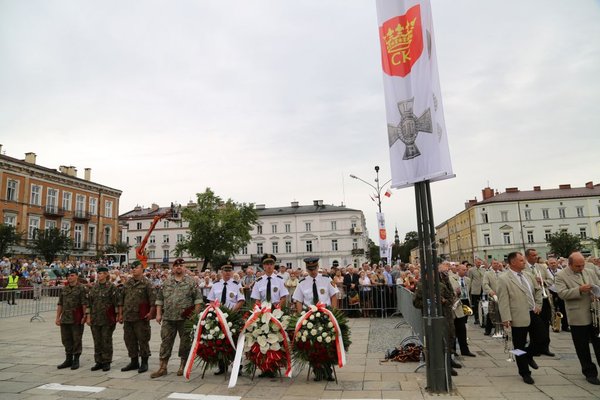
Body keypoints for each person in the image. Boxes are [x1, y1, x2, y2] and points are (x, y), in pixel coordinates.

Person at [151, 258, 202, 378]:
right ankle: (163, 367)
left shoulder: (191, 282)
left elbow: (198, 300)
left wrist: (194, 315)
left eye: (181, 265)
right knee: (165, 342)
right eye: (176, 265)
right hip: (168, 318)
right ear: (173, 268)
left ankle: (183, 365)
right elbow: (159, 299)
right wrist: (158, 314)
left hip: (185, 319)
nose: (179, 267)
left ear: (184, 268)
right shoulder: (166, 282)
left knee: (185, 343)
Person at [497, 251, 543, 385]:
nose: (524, 262)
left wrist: (539, 304)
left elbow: (538, 289)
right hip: (517, 315)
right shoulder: (504, 278)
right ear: (513, 262)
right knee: (519, 346)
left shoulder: (528, 275)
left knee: (542, 338)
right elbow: (503, 299)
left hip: (533, 312)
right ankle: (524, 372)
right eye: (521, 260)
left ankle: (529, 355)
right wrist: (506, 318)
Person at [555, 252, 600, 385]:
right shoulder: (561, 275)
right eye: (577, 266)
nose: (581, 268)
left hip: (595, 313)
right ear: (570, 264)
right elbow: (562, 294)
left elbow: (597, 284)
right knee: (582, 346)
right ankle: (589, 372)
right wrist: (579, 289)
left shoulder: (589, 271)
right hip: (578, 315)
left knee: (598, 343)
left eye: (582, 265)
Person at [292, 257, 339, 381]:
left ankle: (328, 370)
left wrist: (334, 313)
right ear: (307, 269)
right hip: (309, 318)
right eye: (310, 269)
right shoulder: (302, 283)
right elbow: (298, 300)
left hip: (326, 315)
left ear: (318, 267)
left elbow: (334, 296)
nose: (312, 271)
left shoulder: (326, 279)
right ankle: (317, 370)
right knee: (312, 345)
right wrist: (301, 316)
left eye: (314, 268)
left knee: (327, 343)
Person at [207, 263, 245, 375]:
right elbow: (211, 300)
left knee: (234, 341)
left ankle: (237, 366)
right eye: (225, 271)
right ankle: (222, 366)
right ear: (221, 272)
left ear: (232, 272)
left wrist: (231, 313)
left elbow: (241, 300)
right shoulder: (216, 285)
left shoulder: (237, 285)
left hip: (232, 317)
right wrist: (216, 311)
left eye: (229, 271)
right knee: (219, 341)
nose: (227, 273)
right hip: (218, 316)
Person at [119, 260, 156, 373]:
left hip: (141, 318)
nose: (134, 269)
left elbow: (153, 301)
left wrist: (151, 313)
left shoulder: (147, 284)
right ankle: (134, 361)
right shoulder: (127, 283)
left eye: (136, 267)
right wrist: (120, 314)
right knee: (129, 340)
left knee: (143, 339)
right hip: (128, 317)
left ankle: (144, 362)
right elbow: (121, 300)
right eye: (132, 268)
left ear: (142, 270)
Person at [87, 266, 119, 371]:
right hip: (95, 318)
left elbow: (116, 303)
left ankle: (106, 361)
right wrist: (88, 316)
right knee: (97, 341)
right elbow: (89, 303)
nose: (99, 275)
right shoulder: (94, 287)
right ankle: (98, 361)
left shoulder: (111, 287)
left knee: (106, 340)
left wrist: (118, 315)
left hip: (107, 319)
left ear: (106, 274)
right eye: (98, 273)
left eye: (101, 273)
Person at [523, 248, 554, 357]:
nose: (536, 257)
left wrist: (543, 281)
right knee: (533, 325)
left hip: (544, 298)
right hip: (531, 300)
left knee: (545, 323)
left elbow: (551, 280)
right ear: (527, 256)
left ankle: (545, 347)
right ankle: (534, 347)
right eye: (533, 255)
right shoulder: (523, 268)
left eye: (536, 255)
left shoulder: (541, 267)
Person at [55, 269, 88, 370]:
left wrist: (85, 316)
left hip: (76, 318)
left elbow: (84, 304)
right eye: (68, 276)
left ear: (77, 276)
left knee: (76, 339)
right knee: (66, 339)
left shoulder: (82, 288)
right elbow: (60, 304)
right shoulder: (64, 289)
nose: (70, 277)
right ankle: (68, 359)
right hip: (65, 318)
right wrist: (57, 317)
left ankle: (76, 359)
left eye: (72, 275)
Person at [482, 260, 503, 335]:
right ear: (491, 264)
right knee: (491, 313)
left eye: (497, 263)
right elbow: (485, 284)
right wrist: (490, 291)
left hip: (502, 296)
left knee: (502, 313)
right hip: (493, 296)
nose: (496, 265)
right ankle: (488, 330)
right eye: (494, 263)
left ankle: (502, 329)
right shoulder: (487, 274)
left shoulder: (502, 273)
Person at [467, 260, 484, 325]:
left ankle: (481, 317)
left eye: (480, 262)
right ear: (475, 263)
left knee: (482, 304)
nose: (479, 264)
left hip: (482, 289)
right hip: (475, 289)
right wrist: (469, 289)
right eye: (478, 262)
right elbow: (469, 280)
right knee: (476, 305)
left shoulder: (483, 270)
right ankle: (476, 318)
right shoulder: (471, 270)